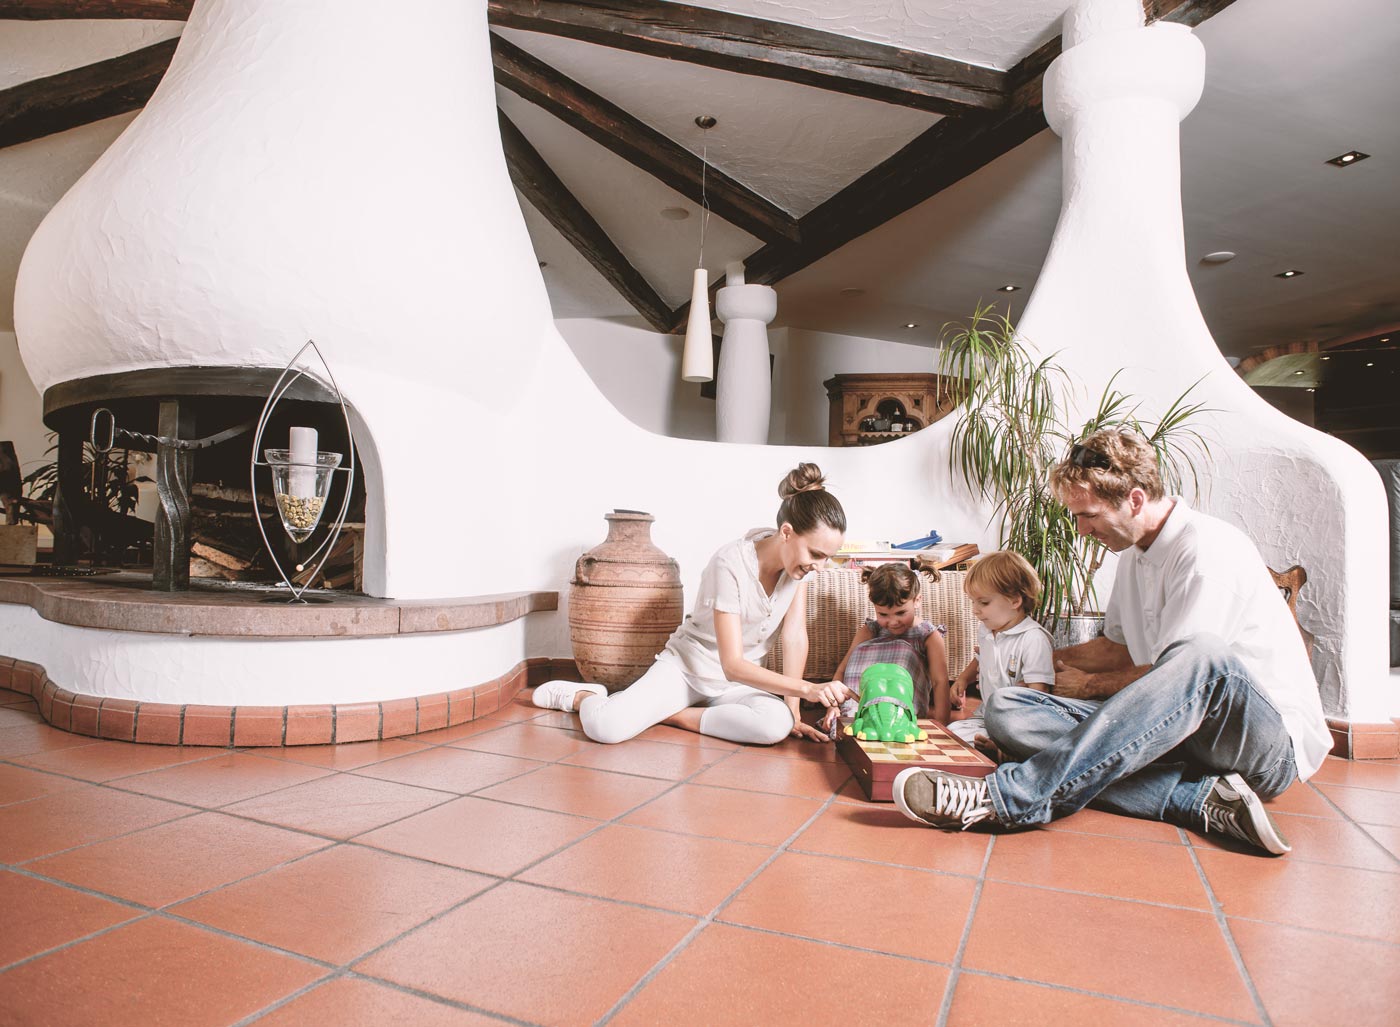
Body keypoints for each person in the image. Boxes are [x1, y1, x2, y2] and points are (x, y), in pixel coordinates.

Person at [891, 428, 1332, 856]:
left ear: (1134, 500)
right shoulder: (1136, 556)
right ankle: (1197, 799)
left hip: (1261, 745)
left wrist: (1089, 687)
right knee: (1009, 708)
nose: (1081, 530)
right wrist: (1031, 659)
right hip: (1179, 736)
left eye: (1089, 515)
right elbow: (1114, 649)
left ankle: (1007, 797)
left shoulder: (1206, 553)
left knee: (1204, 655)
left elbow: (1179, 684)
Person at [532, 463, 853, 745]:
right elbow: (732, 663)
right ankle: (584, 697)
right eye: (816, 554)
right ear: (786, 533)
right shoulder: (729, 563)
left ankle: (672, 715)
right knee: (605, 727)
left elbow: (794, 636)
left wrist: (794, 710)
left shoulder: (798, 570)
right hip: (688, 671)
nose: (820, 566)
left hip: (736, 686)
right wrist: (807, 689)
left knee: (776, 725)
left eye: (827, 557)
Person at [821, 564, 950, 738]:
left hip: (903, 717)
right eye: (883, 615)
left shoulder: (928, 635)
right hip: (858, 714)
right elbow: (843, 671)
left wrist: (942, 728)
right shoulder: (869, 631)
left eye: (901, 612)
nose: (893, 622)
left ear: (917, 600)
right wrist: (833, 706)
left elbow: (940, 682)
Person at [946, 551, 1054, 749]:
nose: (975, 610)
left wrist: (1013, 734)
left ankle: (1006, 748)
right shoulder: (987, 629)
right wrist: (963, 678)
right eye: (973, 602)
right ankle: (993, 746)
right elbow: (981, 657)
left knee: (1022, 743)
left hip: (1019, 722)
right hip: (986, 715)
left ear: (1014, 601)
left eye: (984, 603)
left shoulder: (1033, 638)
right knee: (952, 734)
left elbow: (1039, 694)